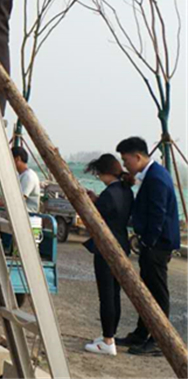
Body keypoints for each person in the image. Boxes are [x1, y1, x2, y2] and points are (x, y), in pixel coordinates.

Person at [115, 137, 180, 356]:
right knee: (148, 292)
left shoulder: (156, 179)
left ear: (138, 157)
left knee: (158, 294)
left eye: (126, 161)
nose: (126, 166)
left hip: (157, 245)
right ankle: (142, 333)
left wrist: (147, 242)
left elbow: (158, 214)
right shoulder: (152, 175)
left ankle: (160, 340)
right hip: (153, 243)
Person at [83, 154, 134, 356]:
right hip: (122, 244)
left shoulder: (109, 195)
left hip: (106, 248)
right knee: (114, 293)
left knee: (106, 295)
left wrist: (92, 201)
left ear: (104, 173)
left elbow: (98, 216)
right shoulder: (125, 190)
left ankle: (107, 341)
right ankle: (109, 335)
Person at [0, 146, 40, 214]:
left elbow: (18, 199)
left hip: (27, 214)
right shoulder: (21, 175)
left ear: (17, 159)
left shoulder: (29, 176)